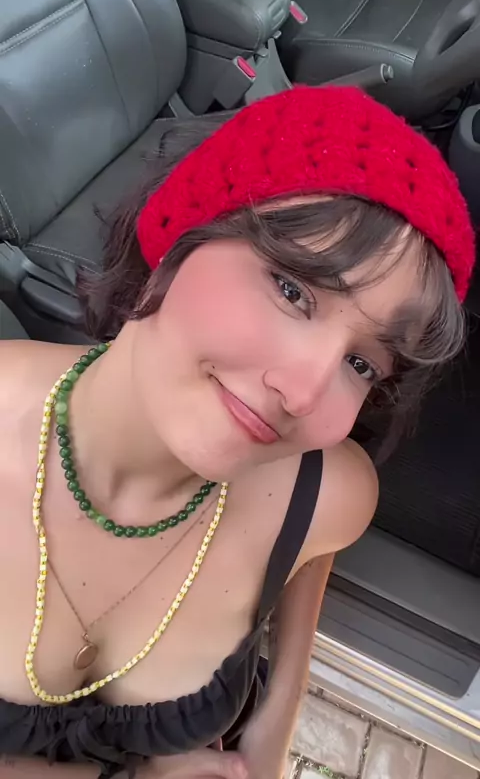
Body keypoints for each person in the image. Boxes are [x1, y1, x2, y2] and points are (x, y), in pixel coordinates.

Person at [0, 86, 474, 779]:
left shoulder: (327, 494)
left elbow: (300, 577)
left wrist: (272, 735)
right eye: (293, 290)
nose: (303, 394)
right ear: (182, 231)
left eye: (362, 364)